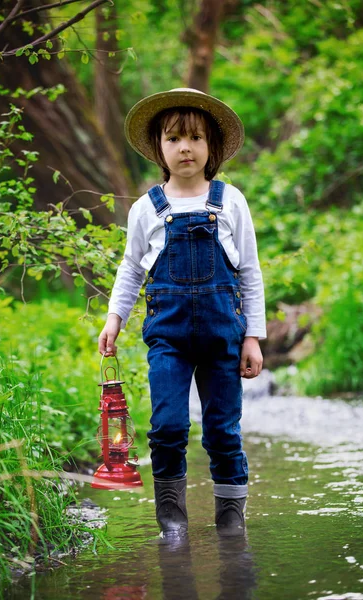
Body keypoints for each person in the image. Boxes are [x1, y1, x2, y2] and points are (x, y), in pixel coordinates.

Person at [98, 88, 267, 538]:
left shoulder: (230, 202)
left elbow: (249, 271)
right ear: (159, 148)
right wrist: (115, 317)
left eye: (194, 138)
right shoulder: (146, 208)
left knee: (222, 431)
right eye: (173, 138)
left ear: (211, 147)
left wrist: (253, 336)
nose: (185, 147)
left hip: (222, 338)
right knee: (168, 426)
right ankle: (171, 522)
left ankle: (232, 524)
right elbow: (131, 268)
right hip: (168, 338)